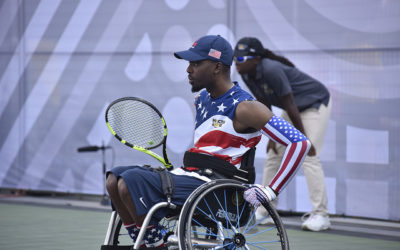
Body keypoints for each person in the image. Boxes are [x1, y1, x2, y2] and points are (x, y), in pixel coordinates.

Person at [105, 35, 311, 248]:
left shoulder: (247, 107)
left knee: (131, 181)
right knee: (114, 180)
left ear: (216, 67)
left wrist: (270, 191)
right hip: (192, 177)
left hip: (218, 188)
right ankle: (152, 240)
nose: (188, 69)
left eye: (195, 63)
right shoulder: (202, 99)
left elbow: (300, 143)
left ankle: (155, 243)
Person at [234, 37, 332, 231]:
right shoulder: (247, 73)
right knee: (274, 155)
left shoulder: (271, 69)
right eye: (235, 59)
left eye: (242, 59)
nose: (237, 63)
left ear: (256, 59)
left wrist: (303, 141)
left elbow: (290, 104)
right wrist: (271, 137)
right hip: (294, 110)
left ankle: (321, 214)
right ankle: (265, 211)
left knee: (308, 156)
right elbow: (263, 104)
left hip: (313, 104)